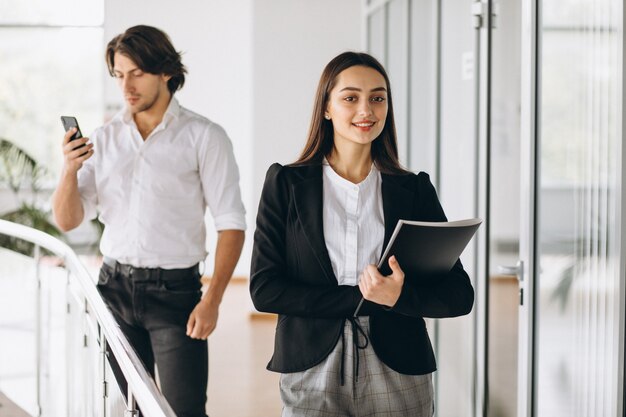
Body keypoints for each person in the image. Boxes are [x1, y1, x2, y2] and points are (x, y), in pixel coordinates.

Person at [249, 51, 474, 417]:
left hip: (400, 364)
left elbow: (459, 295)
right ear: (326, 108)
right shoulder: (286, 184)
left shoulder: (414, 189)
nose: (366, 110)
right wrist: (368, 298)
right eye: (351, 98)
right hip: (310, 363)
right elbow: (264, 290)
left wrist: (400, 296)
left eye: (377, 98)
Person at [52, 25, 246, 417]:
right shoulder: (104, 139)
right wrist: (69, 170)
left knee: (185, 410)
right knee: (132, 408)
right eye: (119, 75)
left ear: (166, 72)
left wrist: (212, 301)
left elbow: (232, 224)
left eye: (137, 73)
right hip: (114, 290)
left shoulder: (204, 137)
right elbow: (68, 220)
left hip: (174, 295)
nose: (126, 86)